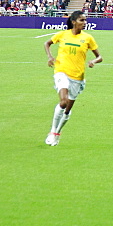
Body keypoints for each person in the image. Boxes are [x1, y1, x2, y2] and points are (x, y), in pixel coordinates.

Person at [43, 10, 102, 146]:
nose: (85, 23)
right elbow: (47, 43)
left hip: (78, 77)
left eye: (85, 20)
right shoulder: (63, 35)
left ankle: (57, 132)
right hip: (61, 71)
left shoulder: (88, 38)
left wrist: (94, 61)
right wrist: (50, 57)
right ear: (73, 21)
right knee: (63, 102)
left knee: (67, 110)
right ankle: (52, 131)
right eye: (82, 20)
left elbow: (100, 56)